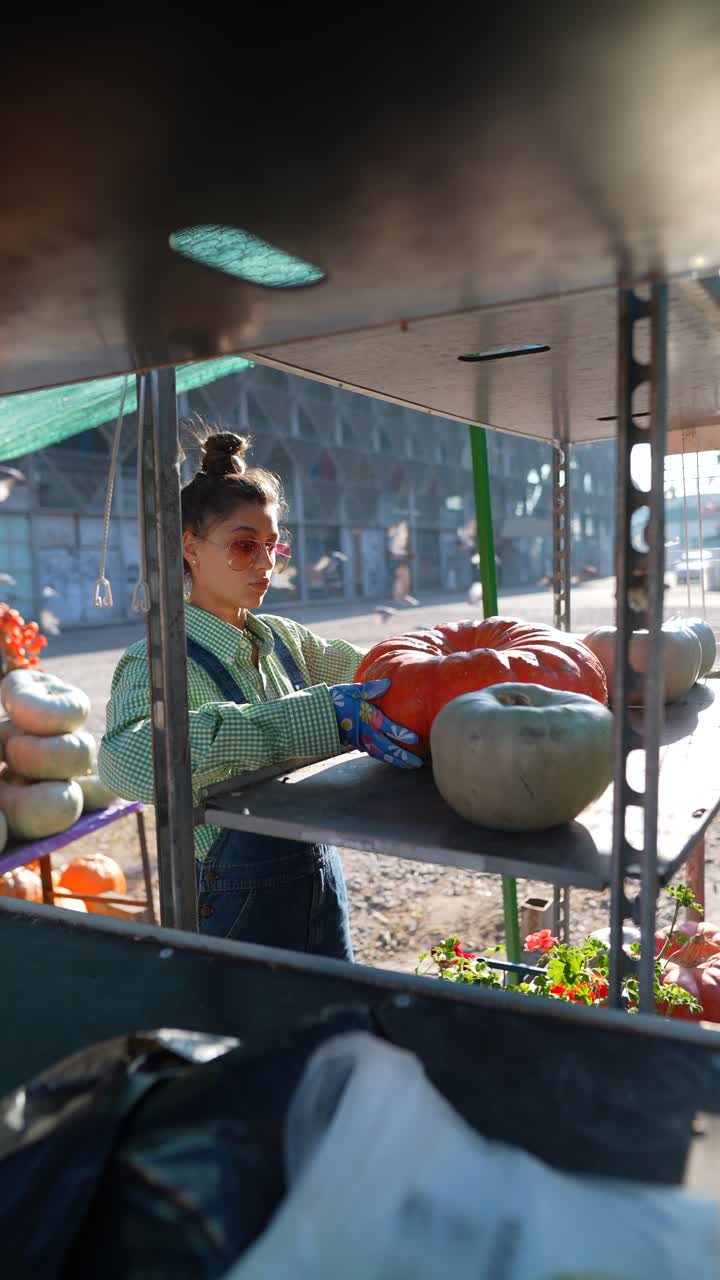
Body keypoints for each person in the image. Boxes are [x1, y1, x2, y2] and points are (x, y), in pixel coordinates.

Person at [98, 429, 422, 962]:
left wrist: (454, 656)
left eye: (274, 546)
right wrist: (313, 717)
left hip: (317, 875)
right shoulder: (160, 660)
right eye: (245, 545)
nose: (266, 564)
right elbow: (126, 761)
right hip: (238, 904)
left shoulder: (288, 641)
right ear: (189, 546)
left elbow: (383, 673)